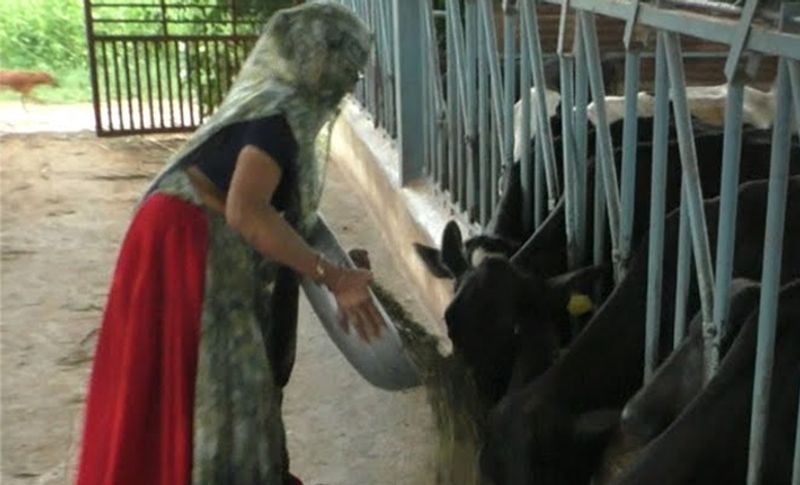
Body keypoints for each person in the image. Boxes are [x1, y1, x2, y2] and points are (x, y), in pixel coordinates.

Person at [74, 4, 381, 485]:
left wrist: (340, 265)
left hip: (181, 234)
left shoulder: (276, 104)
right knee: (219, 387)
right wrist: (332, 276)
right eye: (349, 65)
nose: (351, 80)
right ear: (319, 59)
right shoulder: (277, 119)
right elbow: (247, 212)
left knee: (197, 387)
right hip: (186, 244)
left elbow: (275, 215)